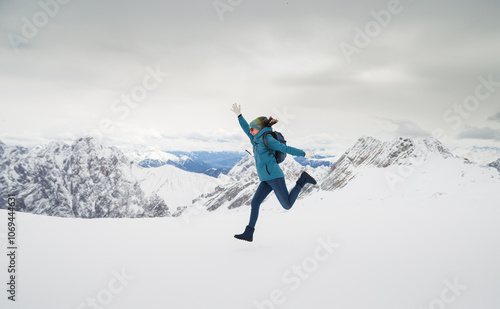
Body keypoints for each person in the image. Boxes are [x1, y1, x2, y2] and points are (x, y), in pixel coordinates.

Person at [230, 103, 317, 242]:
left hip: (275, 177)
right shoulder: (254, 138)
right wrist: (239, 116)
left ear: (258, 129)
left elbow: (286, 148)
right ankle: (249, 233)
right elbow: (246, 128)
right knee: (255, 203)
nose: (250, 131)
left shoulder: (268, 139)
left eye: (253, 129)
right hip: (265, 179)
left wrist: (304, 153)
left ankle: (302, 180)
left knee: (287, 205)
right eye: (251, 129)